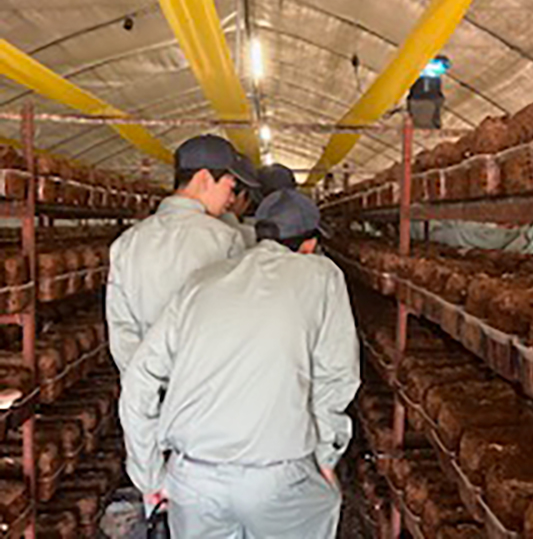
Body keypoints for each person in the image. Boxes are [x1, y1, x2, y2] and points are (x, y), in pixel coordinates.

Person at [119, 188, 360, 539]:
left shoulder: (202, 282)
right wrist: (325, 456)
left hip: (193, 476)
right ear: (309, 245)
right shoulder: (322, 275)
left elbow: (139, 379)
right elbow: (337, 376)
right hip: (277, 475)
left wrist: (149, 476)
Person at [106, 134, 259, 374]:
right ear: (205, 178)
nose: (231, 198)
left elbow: (122, 330)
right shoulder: (225, 239)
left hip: (146, 387)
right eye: (230, 185)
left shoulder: (127, 242)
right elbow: (232, 325)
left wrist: (145, 387)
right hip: (204, 387)